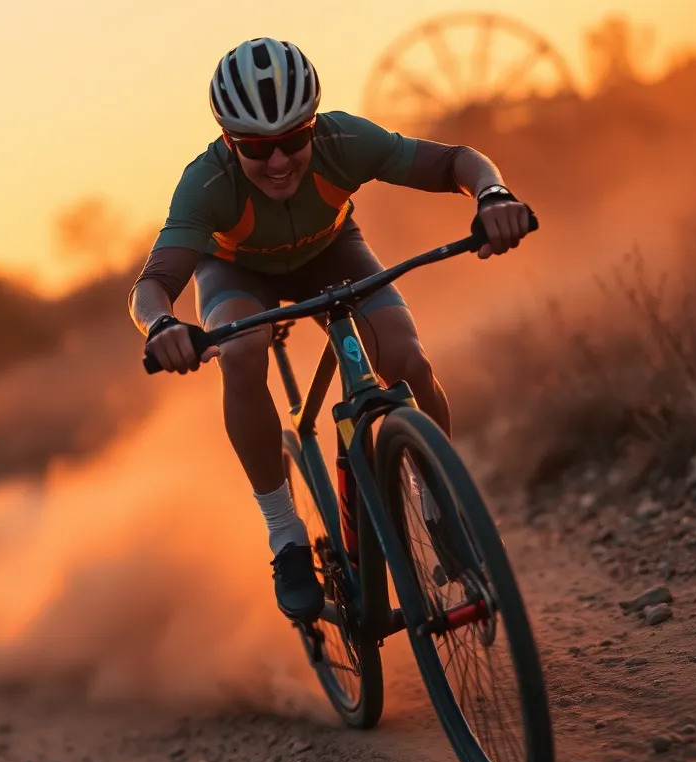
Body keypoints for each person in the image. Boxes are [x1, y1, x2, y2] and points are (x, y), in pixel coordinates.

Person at [128, 37, 533, 622]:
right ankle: (286, 537)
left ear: (313, 125)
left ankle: (438, 503)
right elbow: (151, 285)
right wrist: (162, 324)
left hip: (332, 252)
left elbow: (456, 162)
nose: (277, 161)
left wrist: (493, 193)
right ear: (227, 140)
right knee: (241, 351)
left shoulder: (346, 140)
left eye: (293, 139)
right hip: (239, 273)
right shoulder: (207, 183)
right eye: (256, 147)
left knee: (406, 359)